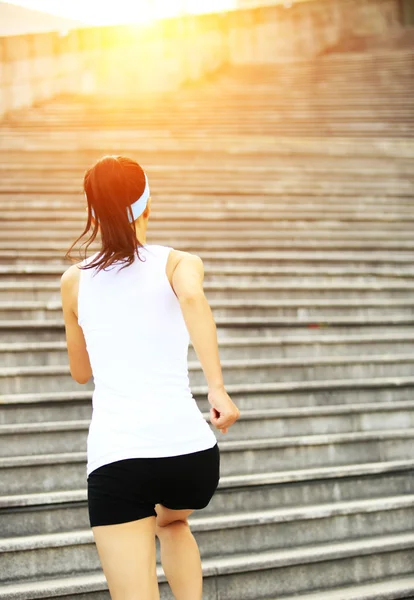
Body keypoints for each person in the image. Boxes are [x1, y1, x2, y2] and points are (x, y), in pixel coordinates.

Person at [60, 155, 240, 600]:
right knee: (173, 521)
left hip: (118, 458)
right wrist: (216, 388)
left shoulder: (74, 282)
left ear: (94, 213)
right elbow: (193, 298)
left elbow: (81, 374)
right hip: (190, 456)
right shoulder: (178, 262)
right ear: (147, 205)